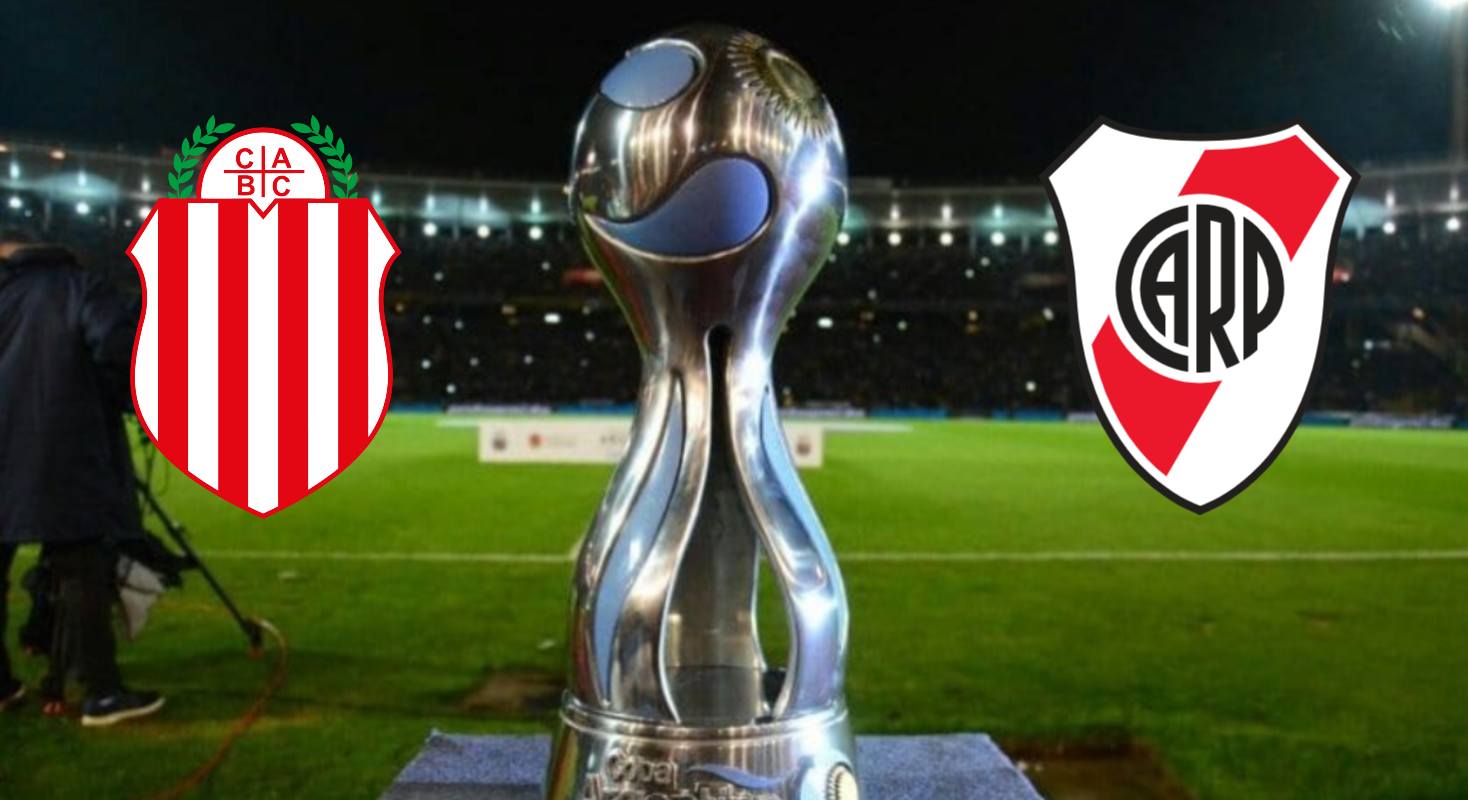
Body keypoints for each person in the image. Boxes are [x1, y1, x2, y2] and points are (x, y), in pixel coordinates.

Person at [0, 225, 164, 726]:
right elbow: (118, 349)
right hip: (58, 451)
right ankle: (102, 692)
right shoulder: (78, 287)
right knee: (81, 567)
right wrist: (121, 401)